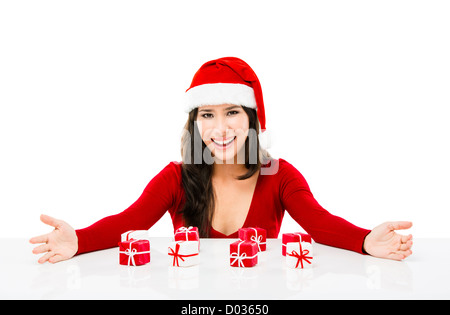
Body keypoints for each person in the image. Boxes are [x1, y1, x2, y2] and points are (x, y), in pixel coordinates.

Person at [30, 57, 413, 264]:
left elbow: (320, 223)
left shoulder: (279, 176)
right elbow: (130, 222)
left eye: (232, 112)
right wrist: (77, 240)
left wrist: (365, 241)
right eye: (207, 115)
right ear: (195, 123)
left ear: (252, 120)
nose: (220, 127)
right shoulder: (175, 178)